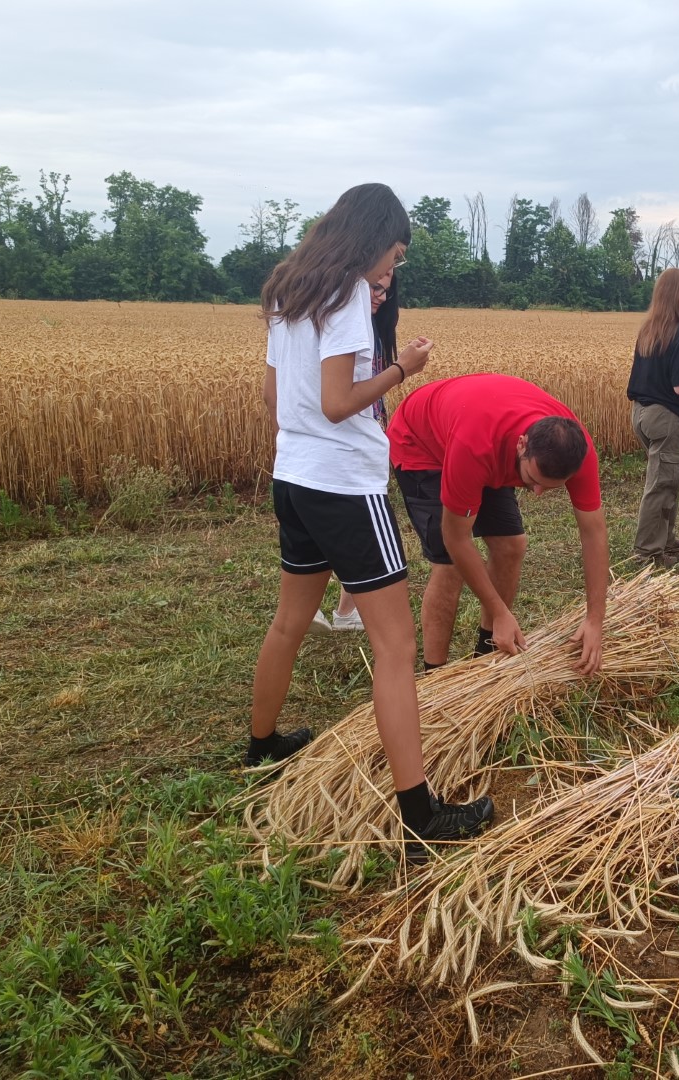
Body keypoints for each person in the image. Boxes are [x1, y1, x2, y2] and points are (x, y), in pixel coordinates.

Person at [252, 182, 493, 856]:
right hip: (345, 487)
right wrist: (401, 371)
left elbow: (274, 393)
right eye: (392, 254)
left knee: (288, 621)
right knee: (396, 648)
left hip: (292, 478)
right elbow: (337, 403)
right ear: (370, 240)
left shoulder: (287, 290)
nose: (392, 268)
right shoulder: (350, 295)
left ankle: (261, 743)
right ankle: (421, 814)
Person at [386, 373, 609, 672]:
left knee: (511, 546)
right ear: (522, 445)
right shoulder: (475, 446)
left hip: (484, 432)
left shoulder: (577, 453)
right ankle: (434, 674)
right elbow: (456, 539)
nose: (539, 493)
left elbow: (593, 533)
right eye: (532, 480)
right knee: (449, 565)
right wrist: (499, 610)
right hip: (422, 444)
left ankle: (487, 654)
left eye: (550, 487)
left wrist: (595, 620)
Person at [313, 273, 428, 632]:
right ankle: (321, 608)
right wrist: (402, 370)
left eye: (387, 290)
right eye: (375, 287)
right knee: (346, 533)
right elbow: (338, 400)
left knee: (348, 532)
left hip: (364, 437)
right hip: (338, 446)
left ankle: (345, 613)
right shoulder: (340, 325)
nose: (380, 296)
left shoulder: (373, 329)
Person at [627, 268, 679, 567]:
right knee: (661, 485)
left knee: (667, 479)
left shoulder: (649, 329)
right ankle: (648, 552)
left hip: (642, 414)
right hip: (666, 419)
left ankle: (666, 538)